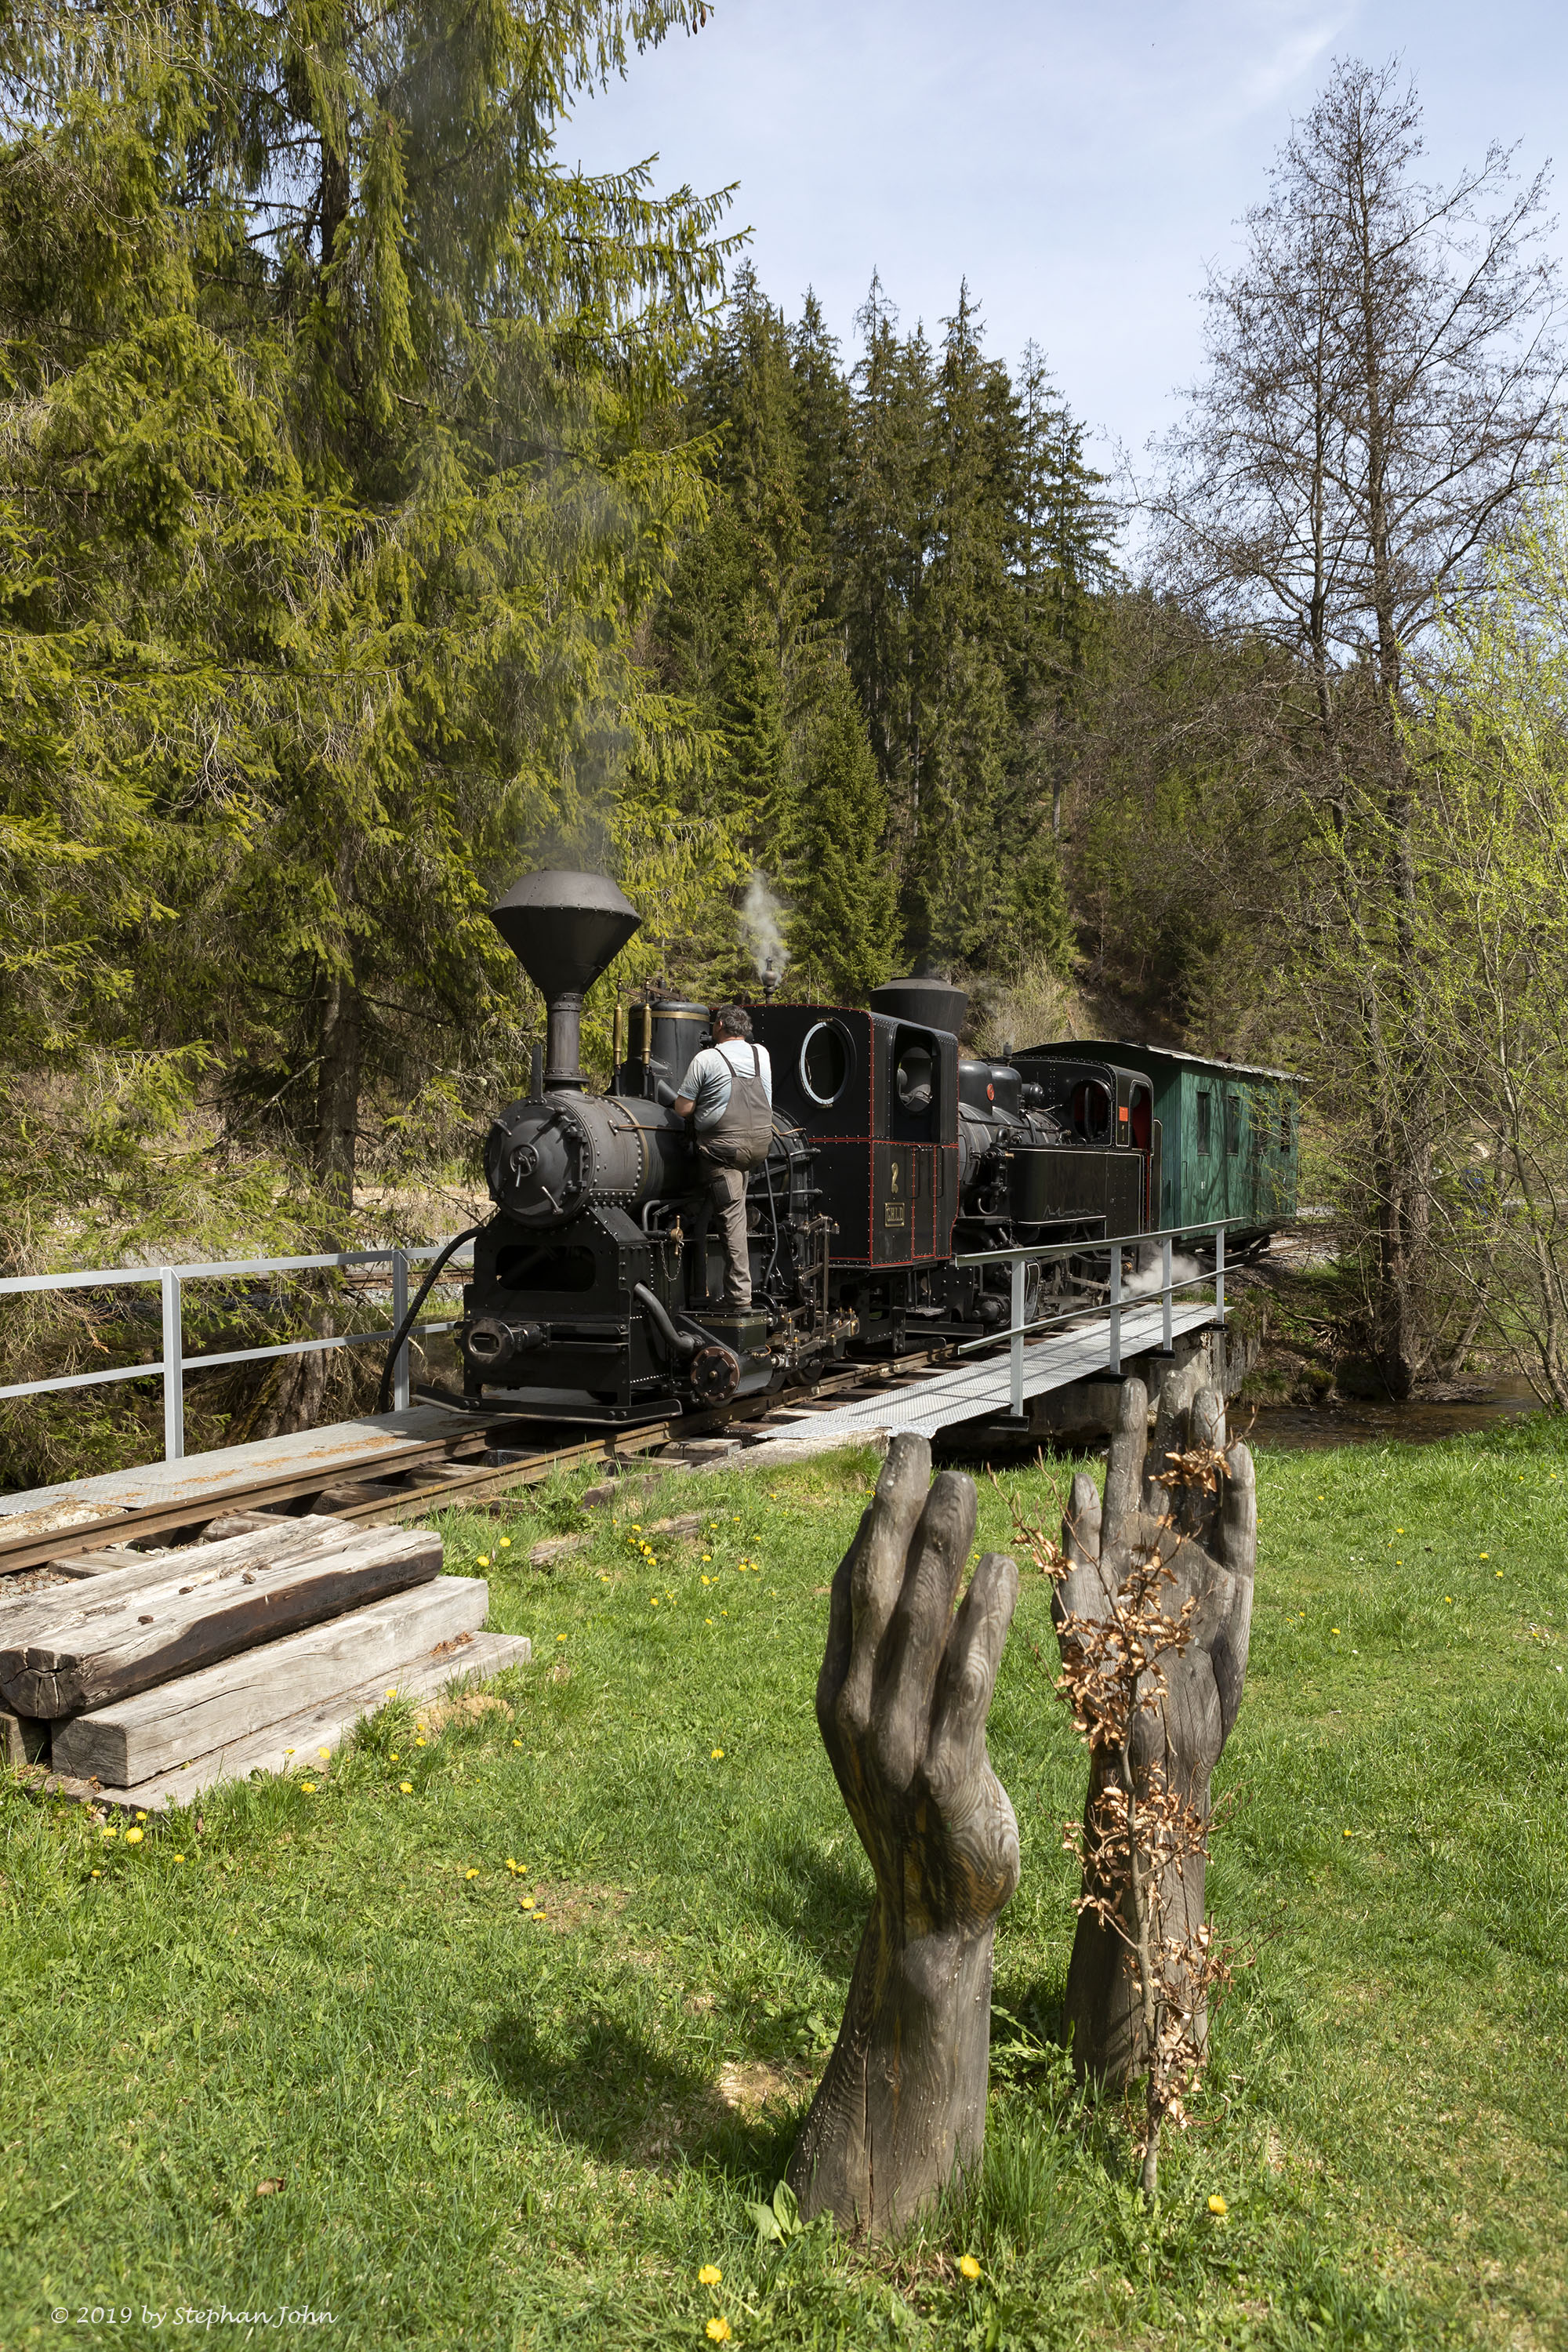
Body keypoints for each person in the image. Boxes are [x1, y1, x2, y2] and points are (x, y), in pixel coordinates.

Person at [673, 1005, 774, 1313]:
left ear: (719, 1026)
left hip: (723, 1151)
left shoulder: (707, 1058)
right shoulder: (761, 1054)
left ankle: (739, 1298)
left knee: (731, 1220)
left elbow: (683, 1109)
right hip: (759, 1146)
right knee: (734, 1204)